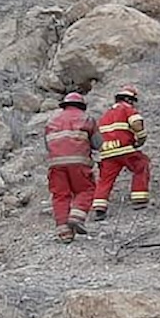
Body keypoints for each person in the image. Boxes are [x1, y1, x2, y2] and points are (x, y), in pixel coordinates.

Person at [44, 92, 100, 243]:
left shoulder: (51, 121)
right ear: (82, 106)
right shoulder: (86, 118)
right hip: (79, 163)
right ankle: (77, 216)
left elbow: (47, 145)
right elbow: (98, 144)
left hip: (55, 164)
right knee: (86, 189)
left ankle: (64, 233)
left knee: (60, 195)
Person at [92, 85, 152, 221]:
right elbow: (137, 123)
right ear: (129, 99)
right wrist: (141, 139)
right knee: (141, 165)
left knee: (105, 179)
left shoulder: (106, 114)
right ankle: (139, 199)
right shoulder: (127, 109)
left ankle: (99, 208)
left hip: (107, 152)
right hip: (125, 149)